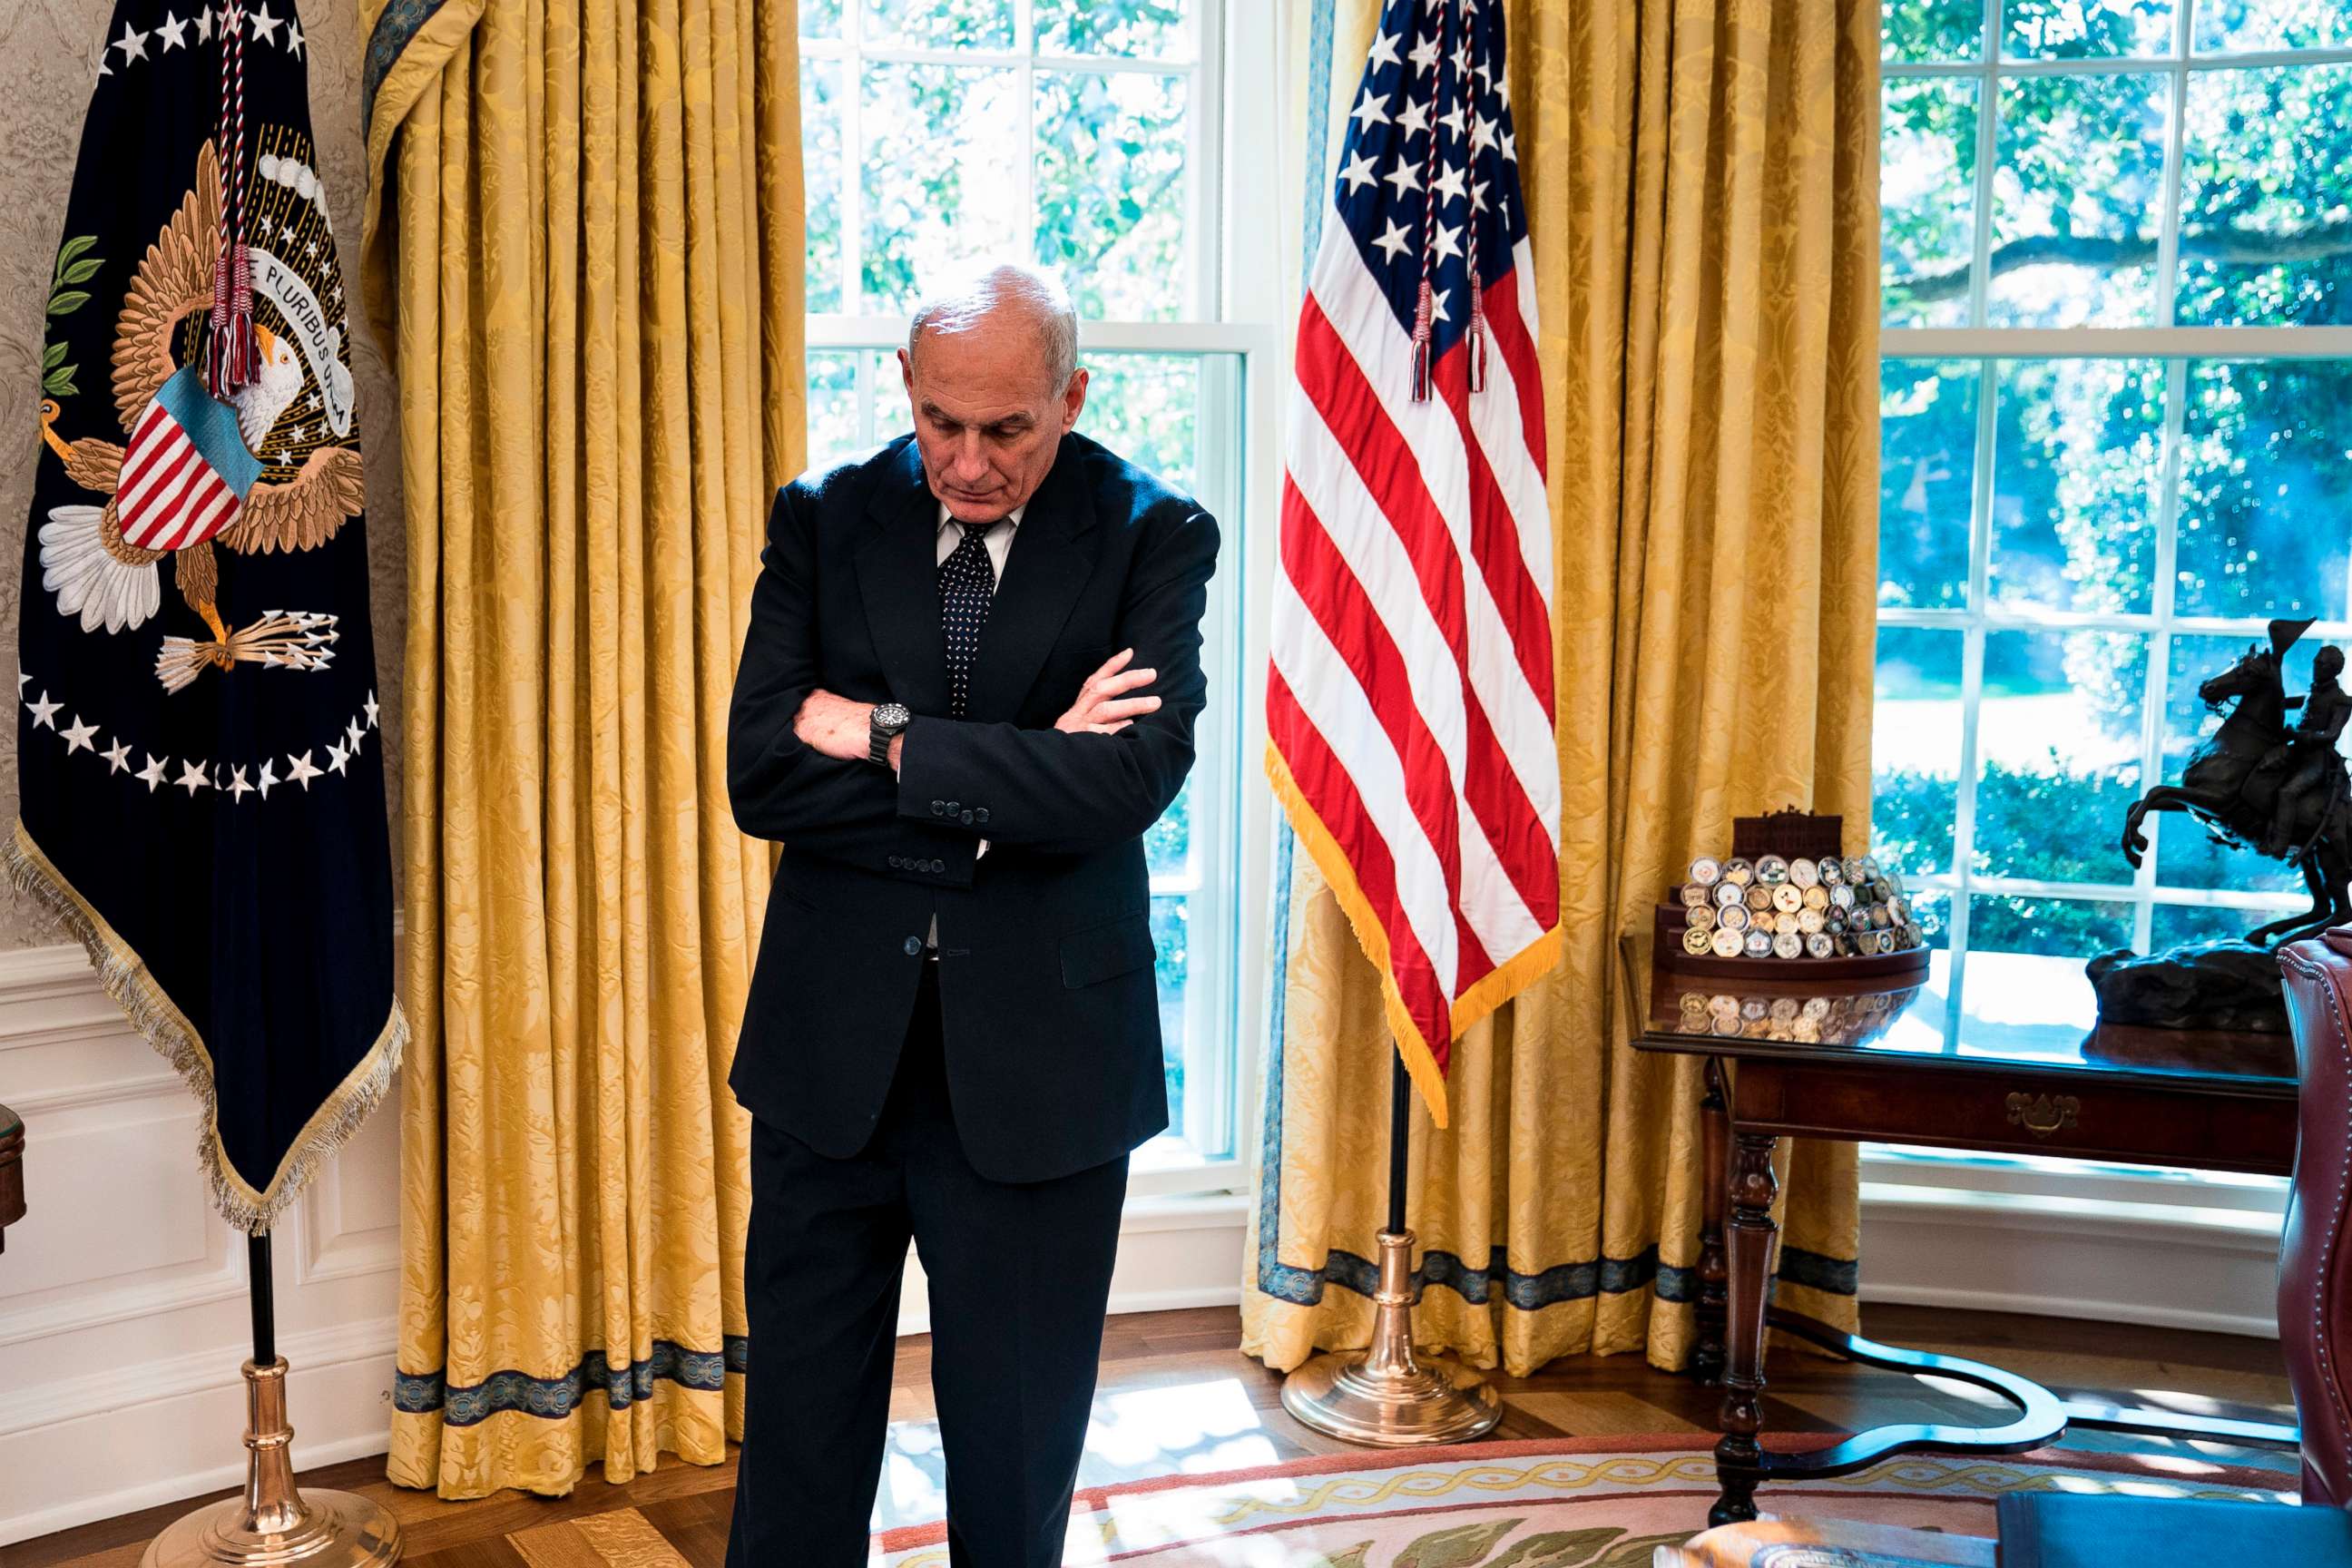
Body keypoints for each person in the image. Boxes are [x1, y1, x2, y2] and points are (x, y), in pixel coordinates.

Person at [722, 264, 1220, 1567]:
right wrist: (1012, 779)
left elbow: (1125, 782)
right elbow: (764, 775)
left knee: (1011, 1463)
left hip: (1041, 1067)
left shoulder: (1151, 535)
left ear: (1072, 398)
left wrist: (884, 736)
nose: (969, 460)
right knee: (797, 1450)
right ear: (905, 385)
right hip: (832, 1054)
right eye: (943, 421)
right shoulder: (825, 520)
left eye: (1008, 429)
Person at [2265, 643, 2350, 858]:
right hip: (2296, 751)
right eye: (2316, 661)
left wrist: (2300, 736)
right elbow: (2281, 702)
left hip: (2316, 760)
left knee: (2288, 792)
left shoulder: (2342, 701)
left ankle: (2279, 845)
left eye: (2321, 663)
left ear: (2333, 669)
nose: (2316, 666)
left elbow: (2331, 735)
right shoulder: (2310, 693)